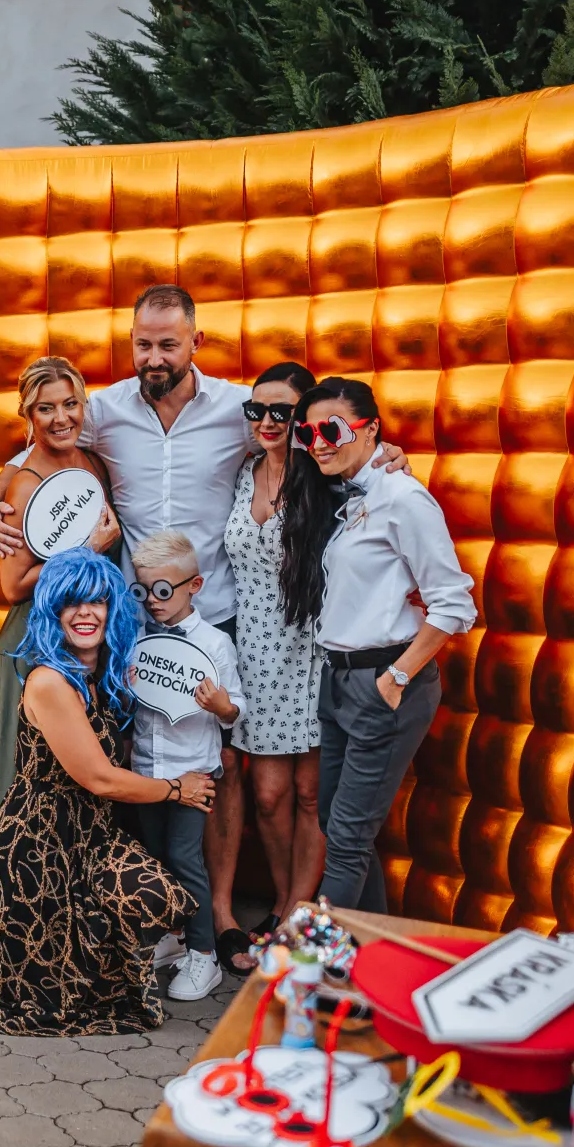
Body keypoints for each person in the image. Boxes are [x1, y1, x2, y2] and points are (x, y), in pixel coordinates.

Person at [0, 286, 410, 975]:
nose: (154, 357)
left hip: (223, 614)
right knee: (140, 751)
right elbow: (38, 443)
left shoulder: (241, 408)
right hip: (134, 618)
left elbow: (310, 429)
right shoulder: (105, 410)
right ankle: (168, 917)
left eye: (167, 344)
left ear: (195, 342)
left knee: (227, 767)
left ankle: (223, 918)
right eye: (143, 344)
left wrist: (389, 456)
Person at [0, 547, 212, 1037]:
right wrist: (178, 790)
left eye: (97, 601)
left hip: (90, 837)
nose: (85, 613)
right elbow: (100, 778)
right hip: (37, 847)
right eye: (71, 602)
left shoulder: (98, 676)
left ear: (112, 609)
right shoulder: (50, 681)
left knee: (158, 896)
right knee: (56, 1001)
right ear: (52, 611)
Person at [0, 356, 121, 960]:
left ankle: (62, 920)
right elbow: (14, 584)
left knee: (71, 789)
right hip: (35, 645)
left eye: (70, 404)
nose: (60, 417)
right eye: (46, 408)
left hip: (88, 641)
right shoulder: (22, 483)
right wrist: (86, 549)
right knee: (20, 783)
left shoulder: (93, 463)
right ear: (27, 414)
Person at [289, 378, 476, 911]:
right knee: (335, 822)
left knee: (346, 841)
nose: (319, 443)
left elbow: (454, 603)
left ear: (371, 429)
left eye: (332, 429)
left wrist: (395, 679)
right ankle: (368, 947)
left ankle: (313, 958)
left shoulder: (403, 498)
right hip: (338, 678)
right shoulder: (348, 493)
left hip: (384, 680)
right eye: (309, 433)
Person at [220, 361, 329, 972]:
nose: (266, 421)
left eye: (281, 412)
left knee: (309, 794)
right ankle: (287, 903)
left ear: (302, 416)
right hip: (255, 654)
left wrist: (394, 458)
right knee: (267, 795)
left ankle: (293, 915)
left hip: (312, 650)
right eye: (256, 410)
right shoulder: (244, 472)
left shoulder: (324, 476)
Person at [127, 529, 242, 1001]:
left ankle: (204, 953)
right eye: (144, 591)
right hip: (146, 769)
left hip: (194, 772)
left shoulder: (215, 644)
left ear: (194, 586)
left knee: (184, 857)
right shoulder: (137, 639)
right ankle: (172, 938)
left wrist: (220, 705)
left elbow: (237, 710)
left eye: (162, 590)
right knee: (154, 857)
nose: (153, 601)